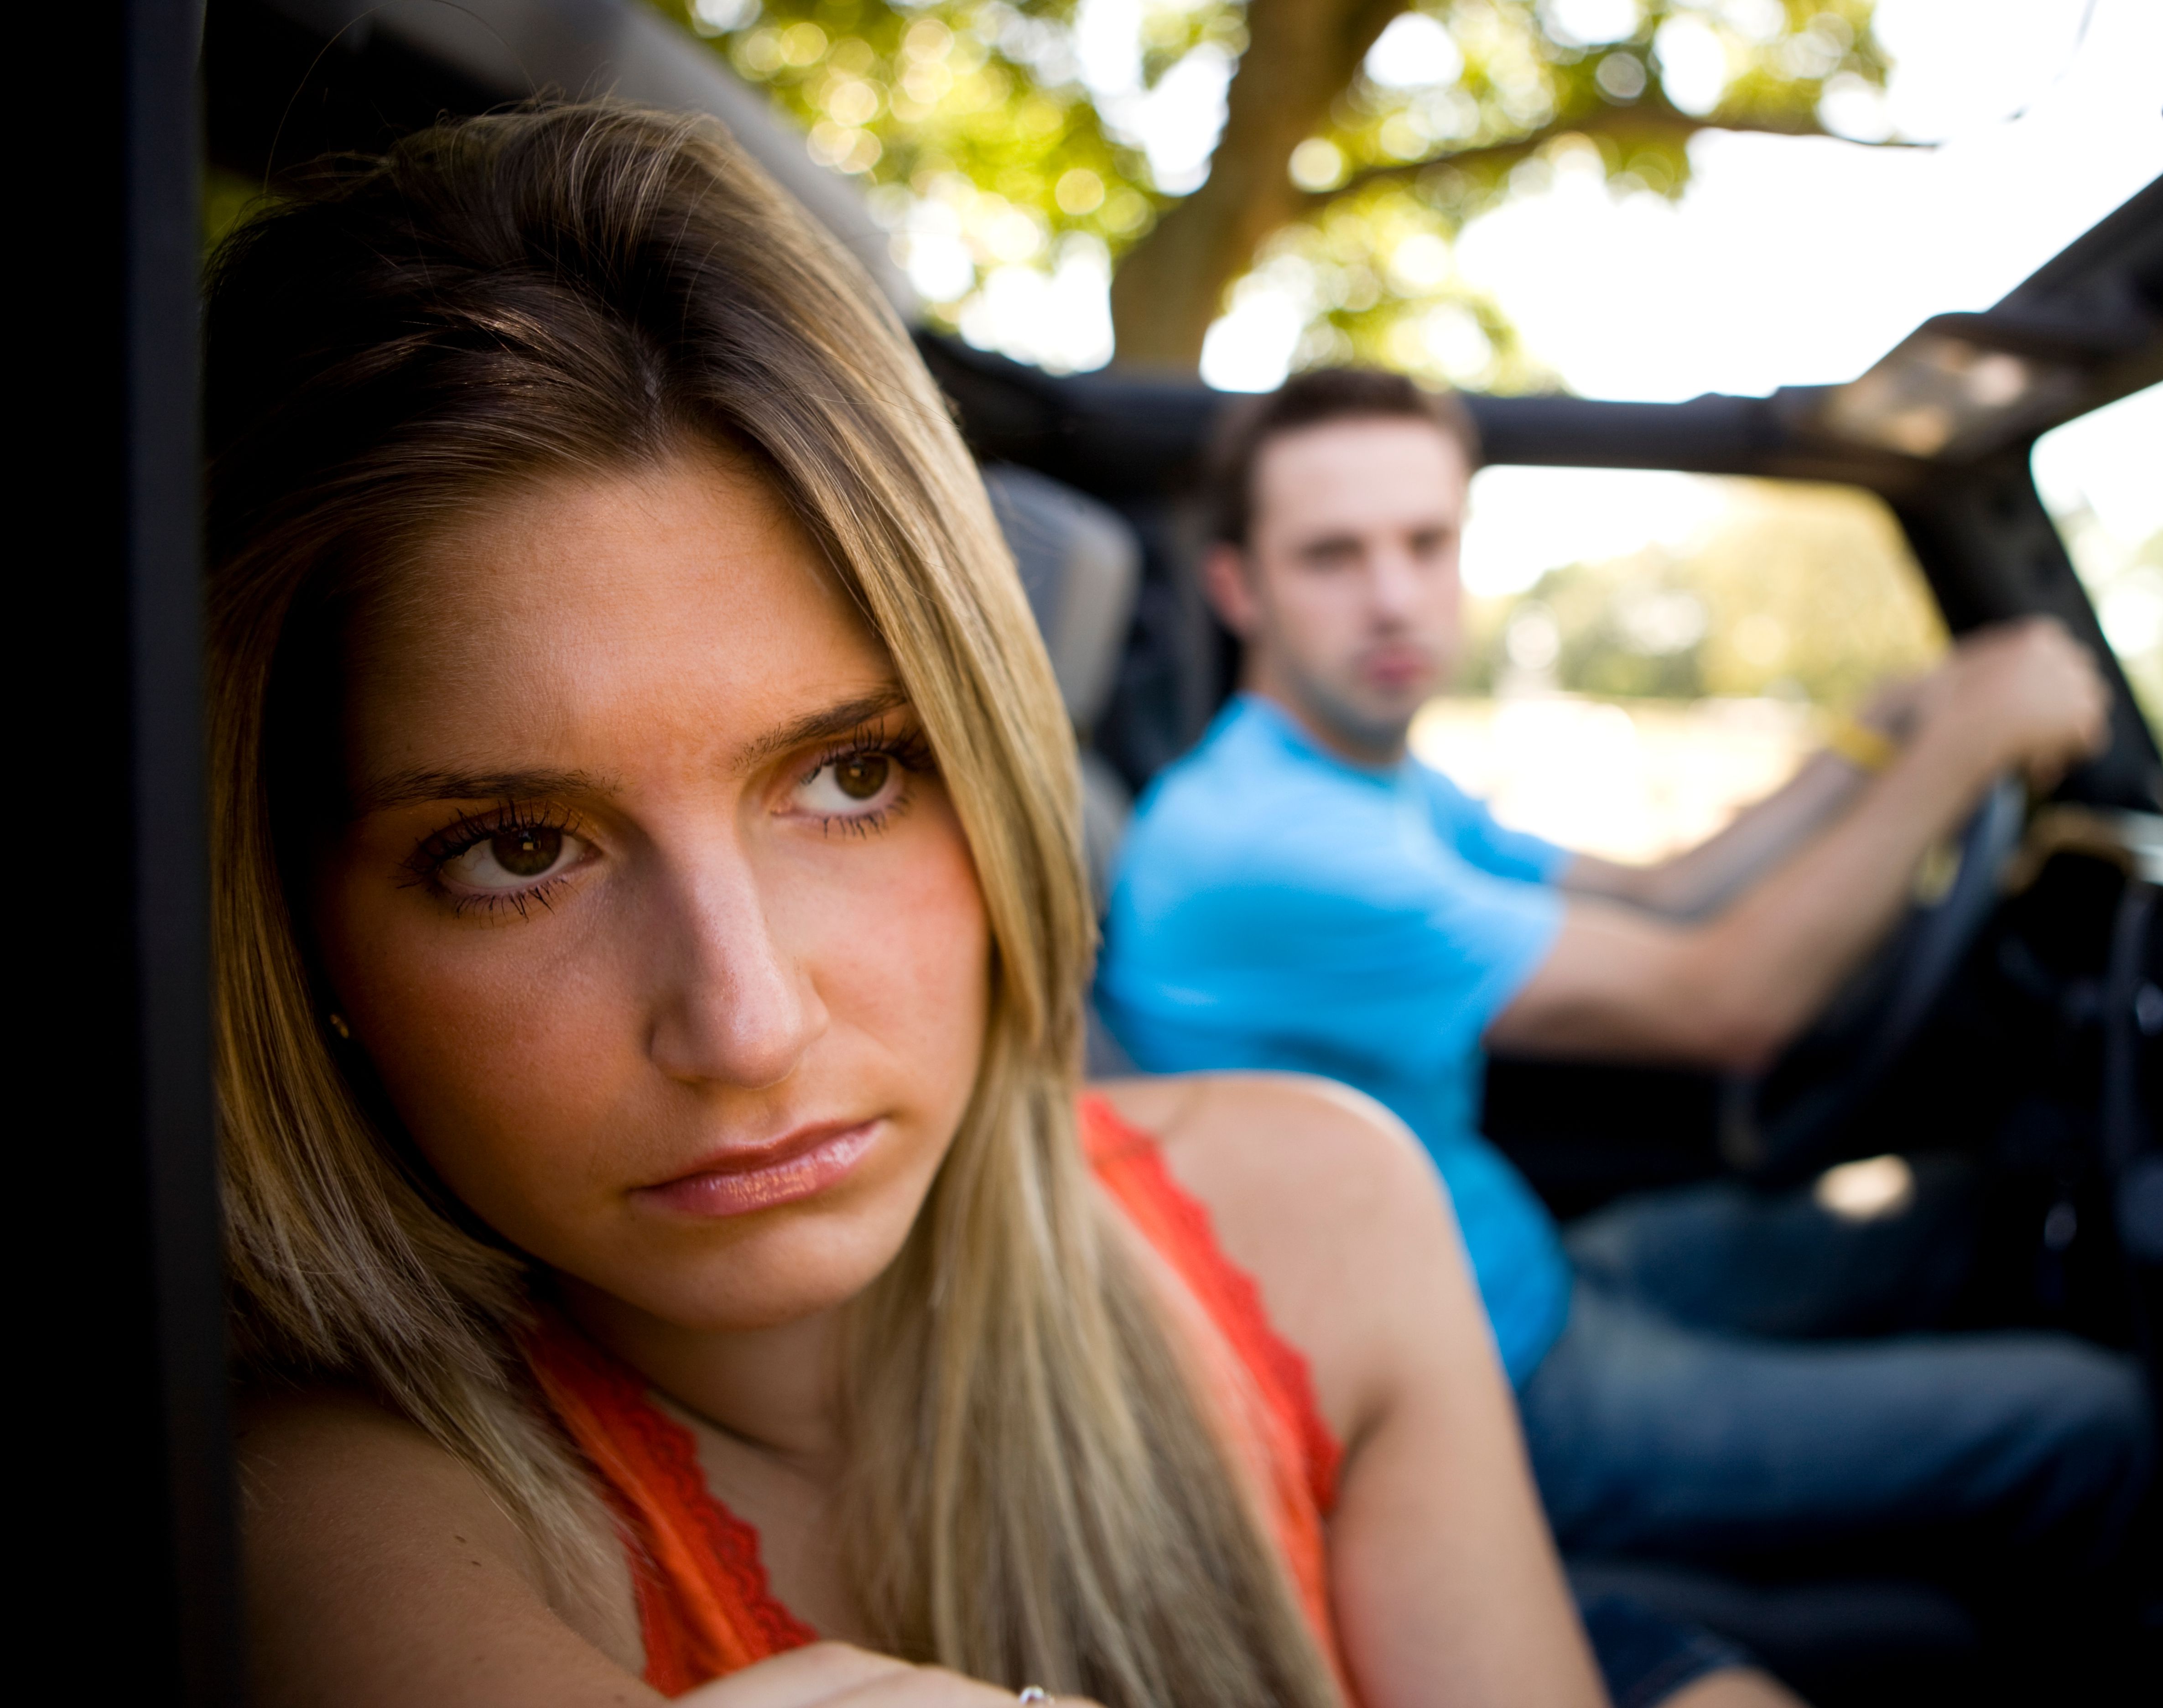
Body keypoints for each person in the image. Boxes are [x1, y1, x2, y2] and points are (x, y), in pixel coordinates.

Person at [208, 105, 1783, 1708]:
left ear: (1001, 769)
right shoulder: (309, 1514)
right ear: (304, 939)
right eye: (518, 849)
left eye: (851, 775)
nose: (747, 1025)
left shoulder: (1329, 1215)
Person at [1097, 370, 2153, 1611]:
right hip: (1494, 1390)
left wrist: (1874, 739)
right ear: (1239, 587)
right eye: (1333, 556)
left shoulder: (1354, 779)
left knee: (1965, 1213)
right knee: (2088, 1417)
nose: (1394, 597)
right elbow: (1729, 1004)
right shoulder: (1268, 844)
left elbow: (1666, 894)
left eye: (1426, 544)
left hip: (1513, 1274)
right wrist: (1966, 745)